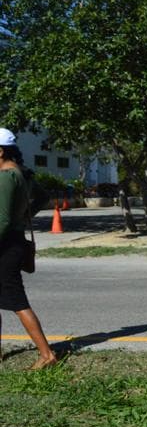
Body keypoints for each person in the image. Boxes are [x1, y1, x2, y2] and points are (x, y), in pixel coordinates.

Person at [0, 129, 58, 370]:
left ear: (1, 151)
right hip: (14, 240)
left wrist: (16, 219)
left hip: (4, 245)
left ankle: (47, 355)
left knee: (17, 301)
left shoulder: (5, 177)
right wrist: (24, 217)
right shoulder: (23, 173)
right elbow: (43, 197)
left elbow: (1, 220)